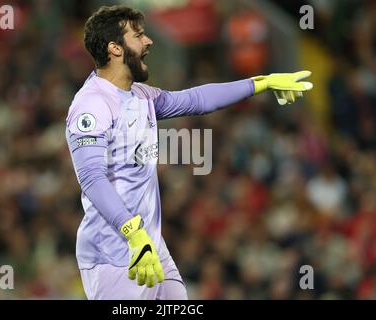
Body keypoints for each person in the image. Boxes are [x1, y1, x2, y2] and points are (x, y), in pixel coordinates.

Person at [65, 5, 313, 300]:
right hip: (114, 254)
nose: (149, 41)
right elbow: (92, 179)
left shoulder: (141, 96)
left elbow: (196, 98)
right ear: (115, 48)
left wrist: (262, 82)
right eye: (139, 35)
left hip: (150, 246)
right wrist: (133, 233)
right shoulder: (92, 106)